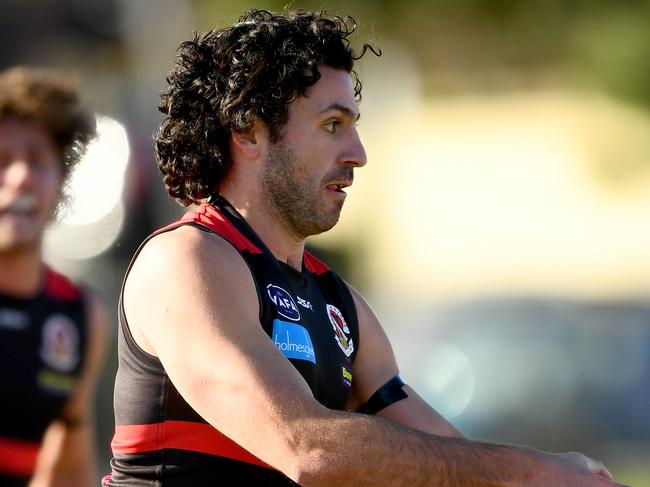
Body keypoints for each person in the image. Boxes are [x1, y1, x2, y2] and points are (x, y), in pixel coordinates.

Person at [105, 9, 626, 487]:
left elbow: (449, 458)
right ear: (249, 132)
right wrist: (530, 471)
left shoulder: (341, 306)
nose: (358, 154)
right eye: (332, 126)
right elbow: (306, 447)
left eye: (354, 128)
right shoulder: (187, 262)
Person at [0, 67, 107, 487]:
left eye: (37, 160)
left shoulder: (80, 314)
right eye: (3, 160)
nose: (21, 177)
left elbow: (68, 467)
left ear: (60, 179)